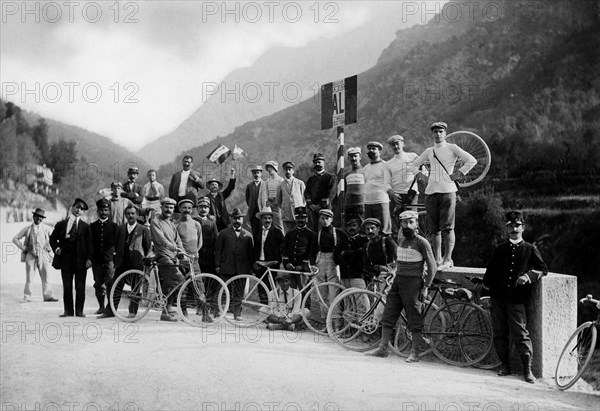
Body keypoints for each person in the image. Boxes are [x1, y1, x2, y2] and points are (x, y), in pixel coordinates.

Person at [483, 211, 548, 384]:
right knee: (499, 332)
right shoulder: (500, 249)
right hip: (498, 298)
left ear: (523, 227)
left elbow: (543, 269)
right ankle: (505, 365)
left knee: (520, 333)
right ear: (507, 229)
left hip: (517, 299)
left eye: (517, 225)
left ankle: (527, 370)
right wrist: (486, 296)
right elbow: (489, 274)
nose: (514, 229)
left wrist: (528, 276)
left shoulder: (530, 249)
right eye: (511, 226)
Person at [368, 211, 436, 361]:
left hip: (413, 284)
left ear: (416, 223)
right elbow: (399, 261)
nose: (408, 225)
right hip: (398, 281)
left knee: (414, 318)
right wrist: (394, 272)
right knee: (388, 314)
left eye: (411, 222)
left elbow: (432, 266)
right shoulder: (401, 240)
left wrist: (425, 287)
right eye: (404, 223)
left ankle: (415, 353)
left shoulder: (421, 242)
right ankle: (383, 348)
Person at [411, 122, 477, 270]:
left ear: (445, 133)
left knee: (447, 227)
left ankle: (448, 258)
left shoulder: (452, 148)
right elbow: (412, 165)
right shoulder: (429, 150)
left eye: (440, 131)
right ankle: (437, 258)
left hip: (447, 191)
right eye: (435, 132)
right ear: (432, 134)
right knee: (433, 229)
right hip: (430, 192)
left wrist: (459, 174)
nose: (438, 134)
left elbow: (472, 160)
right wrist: (420, 175)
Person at [102, 204, 151, 318]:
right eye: (128, 214)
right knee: (116, 286)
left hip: (136, 263)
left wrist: (145, 260)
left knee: (135, 289)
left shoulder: (143, 229)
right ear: (125, 215)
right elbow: (116, 244)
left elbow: (148, 247)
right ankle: (110, 311)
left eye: (133, 213)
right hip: (121, 262)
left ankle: (132, 312)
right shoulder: (120, 228)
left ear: (137, 215)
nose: (130, 216)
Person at [49, 198, 93, 317]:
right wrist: (57, 249)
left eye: (82, 209)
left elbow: (90, 245)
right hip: (66, 261)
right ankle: (68, 311)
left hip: (81, 262)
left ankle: (79, 311)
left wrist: (89, 259)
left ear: (84, 212)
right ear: (72, 207)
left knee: (80, 287)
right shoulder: (61, 224)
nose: (79, 210)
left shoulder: (86, 227)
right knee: (67, 287)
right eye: (77, 207)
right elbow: (52, 239)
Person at [150, 198, 186, 322]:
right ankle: (166, 309)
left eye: (171, 208)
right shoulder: (155, 221)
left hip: (172, 257)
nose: (169, 210)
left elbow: (178, 240)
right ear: (162, 207)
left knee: (170, 283)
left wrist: (184, 253)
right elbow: (161, 239)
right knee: (179, 280)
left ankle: (167, 307)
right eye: (166, 207)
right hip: (162, 256)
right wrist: (174, 248)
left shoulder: (171, 223)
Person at [214, 208, 254, 320]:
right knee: (221, 288)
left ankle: (237, 313)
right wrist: (217, 265)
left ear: (243, 219)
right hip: (226, 266)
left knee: (239, 292)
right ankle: (216, 310)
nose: (237, 220)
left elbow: (251, 254)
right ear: (231, 219)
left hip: (242, 268)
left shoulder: (248, 235)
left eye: (239, 218)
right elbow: (218, 251)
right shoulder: (223, 234)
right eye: (235, 218)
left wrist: (250, 269)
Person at [12, 208, 58, 303]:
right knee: (29, 277)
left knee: (46, 277)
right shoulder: (27, 229)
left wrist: (49, 247)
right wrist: (24, 248)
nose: (39, 219)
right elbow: (15, 238)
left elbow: (55, 238)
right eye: (37, 216)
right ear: (33, 217)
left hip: (44, 256)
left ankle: (47, 296)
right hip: (31, 255)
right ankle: (27, 297)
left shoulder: (46, 228)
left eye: (41, 217)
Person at [309, 209, 348, 321]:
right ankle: (324, 318)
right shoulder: (317, 234)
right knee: (322, 290)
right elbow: (312, 251)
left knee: (334, 290)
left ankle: (335, 318)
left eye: (327, 218)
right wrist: (312, 264)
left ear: (331, 219)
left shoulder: (339, 232)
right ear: (319, 220)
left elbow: (346, 246)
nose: (325, 221)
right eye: (322, 218)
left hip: (333, 261)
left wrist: (341, 259)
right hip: (320, 260)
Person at [385, 135, 421, 238]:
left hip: (411, 194)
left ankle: (416, 246)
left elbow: (424, 171)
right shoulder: (389, 164)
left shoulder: (413, 156)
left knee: (412, 221)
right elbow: (386, 182)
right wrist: (391, 193)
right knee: (398, 224)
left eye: (397, 143)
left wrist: (420, 175)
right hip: (396, 196)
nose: (395, 146)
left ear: (402, 144)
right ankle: (400, 248)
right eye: (393, 145)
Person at [90, 199, 119, 315]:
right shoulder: (92, 226)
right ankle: (101, 307)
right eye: (101, 210)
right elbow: (90, 244)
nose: (103, 212)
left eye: (106, 210)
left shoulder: (114, 227)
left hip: (109, 260)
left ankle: (110, 308)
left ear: (109, 212)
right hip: (97, 261)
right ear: (98, 211)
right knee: (98, 284)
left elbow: (117, 244)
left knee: (110, 284)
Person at [280, 206, 314, 290]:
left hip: (303, 269)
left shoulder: (310, 234)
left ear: (306, 219)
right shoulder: (290, 234)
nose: (300, 220)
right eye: (298, 218)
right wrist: (287, 263)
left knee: (305, 291)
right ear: (295, 219)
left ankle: (305, 304)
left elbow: (311, 251)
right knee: (291, 292)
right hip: (290, 268)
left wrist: (302, 265)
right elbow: (283, 249)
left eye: (303, 218)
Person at [363, 141, 392, 235]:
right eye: (369, 149)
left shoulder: (386, 165)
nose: (371, 151)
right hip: (367, 201)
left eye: (374, 149)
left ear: (379, 152)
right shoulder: (366, 168)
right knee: (370, 229)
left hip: (381, 200)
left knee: (384, 229)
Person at [335, 216, 369, 290]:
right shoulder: (342, 243)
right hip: (345, 276)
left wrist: (346, 254)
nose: (351, 228)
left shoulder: (364, 241)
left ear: (359, 228)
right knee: (347, 299)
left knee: (361, 299)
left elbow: (362, 255)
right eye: (349, 226)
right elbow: (336, 258)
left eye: (354, 225)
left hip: (358, 276)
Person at [361, 218, 397, 285]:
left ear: (378, 229)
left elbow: (399, 257)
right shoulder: (366, 246)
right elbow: (366, 266)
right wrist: (378, 267)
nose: (370, 231)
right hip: (376, 279)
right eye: (367, 229)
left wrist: (392, 269)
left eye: (372, 228)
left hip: (391, 277)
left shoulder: (387, 241)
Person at [305, 153, 335, 232]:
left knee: (326, 228)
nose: (317, 164)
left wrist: (320, 205)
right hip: (312, 209)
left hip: (325, 208)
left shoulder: (330, 177)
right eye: (315, 162)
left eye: (319, 162)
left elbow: (329, 193)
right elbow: (307, 193)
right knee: (314, 229)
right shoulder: (310, 179)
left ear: (324, 163)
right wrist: (311, 205)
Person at [277, 161, 306, 234]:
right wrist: (285, 207)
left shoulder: (300, 183)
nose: (288, 171)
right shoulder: (281, 185)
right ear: (283, 170)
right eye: (286, 169)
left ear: (293, 171)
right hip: (286, 214)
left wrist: (299, 208)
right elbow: (279, 200)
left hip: (298, 213)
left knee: (299, 233)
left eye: (290, 169)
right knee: (288, 234)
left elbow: (304, 198)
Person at [195, 197, 219, 274]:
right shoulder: (193, 221)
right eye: (201, 207)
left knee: (210, 276)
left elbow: (216, 238)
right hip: (197, 254)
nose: (203, 209)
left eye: (205, 207)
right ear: (197, 209)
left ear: (209, 209)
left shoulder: (211, 222)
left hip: (209, 255)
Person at [259, 161, 284, 233]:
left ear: (275, 168)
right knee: (270, 225)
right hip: (269, 205)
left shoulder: (281, 180)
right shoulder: (267, 181)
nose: (269, 170)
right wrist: (267, 203)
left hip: (278, 205)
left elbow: (282, 194)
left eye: (271, 168)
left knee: (279, 224)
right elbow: (265, 194)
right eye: (268, 168)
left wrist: (277, 202)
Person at [344, 147, 365, 220]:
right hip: (349, 205)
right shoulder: (346, 174)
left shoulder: (365, 172)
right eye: (351, 156)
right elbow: (345, 190)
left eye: (355, 156)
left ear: (360, 157)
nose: (353, 158)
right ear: (348, 158)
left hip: (361, 204)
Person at [245, 165, 263, 236]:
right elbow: (247, 199)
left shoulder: (265, 184)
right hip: (253, 213)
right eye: (254, 173)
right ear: (252, 174)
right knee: (254, 231)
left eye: (258, 172)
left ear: (261, 173)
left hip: (262, 211)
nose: (256, 174)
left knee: (263, 231)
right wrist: (251, 206)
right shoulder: (249, 186)